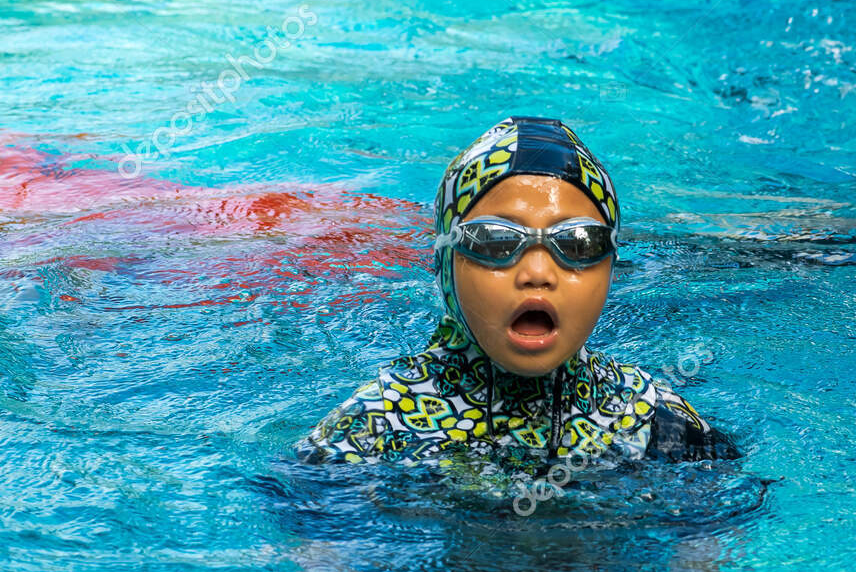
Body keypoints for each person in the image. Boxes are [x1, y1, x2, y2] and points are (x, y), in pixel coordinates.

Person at [295, 116, 738, 467]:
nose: (538, 273)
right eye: (495, 241)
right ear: (444, 265)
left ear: (610, 266)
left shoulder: (655, 420)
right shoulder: (369, 431)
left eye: (579, 243)